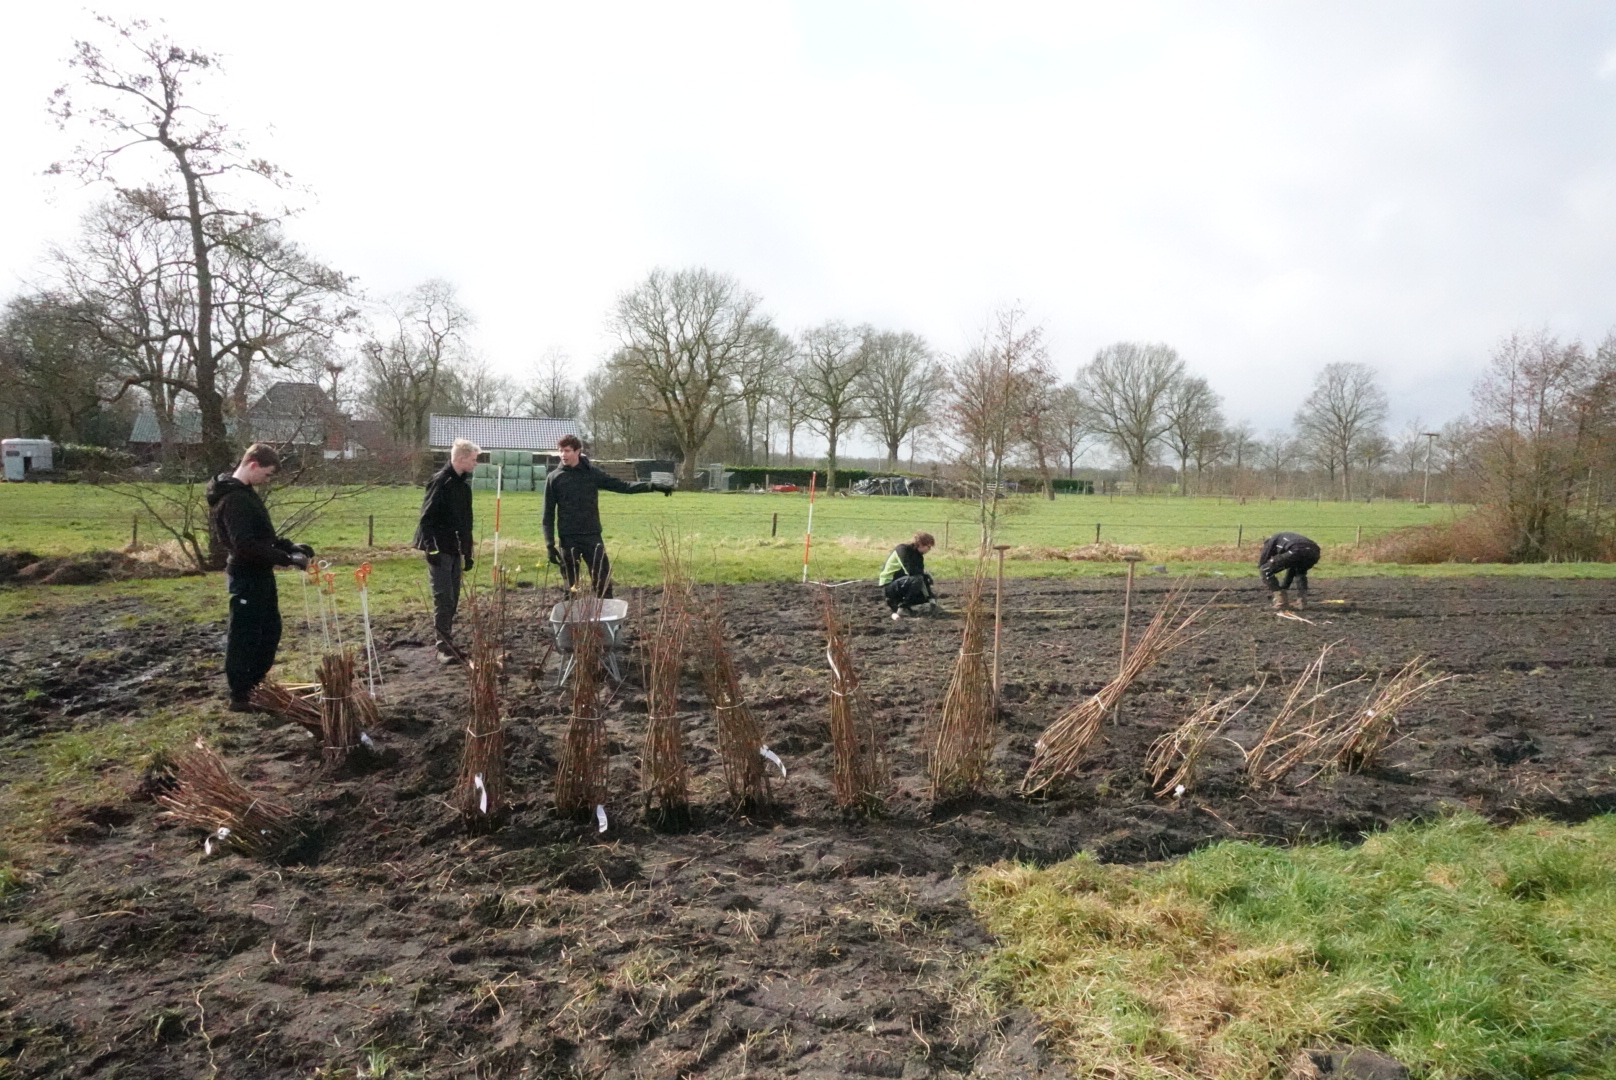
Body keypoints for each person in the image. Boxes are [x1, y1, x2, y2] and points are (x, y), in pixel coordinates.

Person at [206, 443, 313, 711]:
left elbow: (262, 536)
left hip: (260, 573)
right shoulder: (234, 500)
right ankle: (241, 695)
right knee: (246, 634)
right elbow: (245, 545)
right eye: (266, 474)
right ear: (253, 465)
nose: (267, 481)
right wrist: (285, 559)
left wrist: (290, 547)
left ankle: (256, 685)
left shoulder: (246, 493)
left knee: (269, 630)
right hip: (246, 575)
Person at [542, 434, 671, 597]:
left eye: (567, 451)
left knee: (602, 583)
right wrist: (549, 544)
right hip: (568, 540)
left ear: (578, 451)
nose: (563, 455)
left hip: (592, 537)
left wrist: (653, 486)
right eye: (560, 451)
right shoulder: (554, 478)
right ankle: (572, 619)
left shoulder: (592, 474)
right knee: (572, 587)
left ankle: (606, 619)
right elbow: (547, 513)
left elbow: (622, 486)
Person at [415, 438, 479, 663]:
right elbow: (426, 518)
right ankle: (442, 648)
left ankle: (448, 642)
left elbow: (466, 522)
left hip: (454, 548)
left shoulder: (463, 486)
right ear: (460, 459)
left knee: (453, 598)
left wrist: (468, 551)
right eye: (473, 460)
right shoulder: (440, 482)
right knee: (443, 597)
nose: (475, 464)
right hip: (439, 547)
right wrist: (430, 547)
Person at [880, 531, 938, 619]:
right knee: (917, 579)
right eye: (928, 547)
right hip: (889, 585)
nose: (929, 550)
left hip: (902, 582)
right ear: (921, 544)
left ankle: (906, 605)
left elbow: (920, 573)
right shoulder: (902, 550)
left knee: (923, 580)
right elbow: (910, 571)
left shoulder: (919, 556)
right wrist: (923, 574)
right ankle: (902, 608)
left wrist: (931, 598)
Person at [1258, 531, 1321, 610]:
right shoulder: (1284, 538)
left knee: (1265, 569)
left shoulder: (1272, 540)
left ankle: (1281, 601)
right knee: (1299, 572)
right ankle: (1302, 601)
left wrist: (1267, 576)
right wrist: (1284, 587)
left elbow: (1263, 560)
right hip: (1314, 552)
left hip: (1296, 550)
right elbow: (1291, 571)